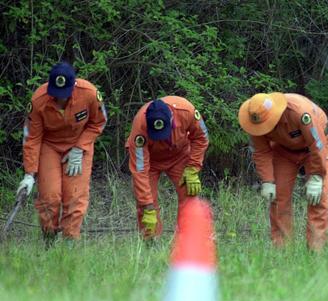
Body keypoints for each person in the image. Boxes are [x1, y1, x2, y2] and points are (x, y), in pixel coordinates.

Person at [17, 62, 107, 243]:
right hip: (49, 146)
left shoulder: (89, 94)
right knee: (50, 197)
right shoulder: (38, 101)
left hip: (79, 145)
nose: (60, 99)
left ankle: (69, 244)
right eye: (56, 95)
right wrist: (29, 174)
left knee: (75, 197)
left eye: (64, 95)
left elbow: (99, 122)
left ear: (73, 86)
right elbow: (31, 138)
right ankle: (49, 240)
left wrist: (80, 148)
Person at [238, 92, 328, 251]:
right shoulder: (254, 119)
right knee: (278, 197)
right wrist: (268, 181)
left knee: (318, 198)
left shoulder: (300, 113)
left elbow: (318, 145)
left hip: (316, 150)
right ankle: (282, 250)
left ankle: (316, 251)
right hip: (284, 151)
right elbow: (261, 152)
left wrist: (317, 176)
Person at [126, 97, 209, 238]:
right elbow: (140, 170)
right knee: (145, 205)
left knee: (189, 194)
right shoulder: (140, 126)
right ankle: (150, 242)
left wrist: (193, 169)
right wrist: (147, 206)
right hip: (150, 162)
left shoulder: (186, 110)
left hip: (179, 157)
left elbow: (202, 137)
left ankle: (187, 239)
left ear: (171, 118)